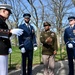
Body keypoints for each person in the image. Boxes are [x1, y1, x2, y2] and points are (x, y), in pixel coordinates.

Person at [0, 4, 23, 75]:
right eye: (8, 12)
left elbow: (5, 37)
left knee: (4, 71)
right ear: (3, 11)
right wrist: (9, 31)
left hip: (3, 49)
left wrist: (9, 47)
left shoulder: (3, 22)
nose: (9, 14)